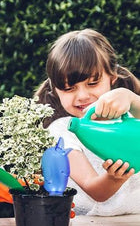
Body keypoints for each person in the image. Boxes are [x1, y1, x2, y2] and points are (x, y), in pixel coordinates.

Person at [35, 28, 140, 216]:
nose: (82, 96)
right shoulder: (63, 132)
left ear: (112, 78)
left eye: (92, 83)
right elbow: (95, 190)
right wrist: (113, 178)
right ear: (55, 90)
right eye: (69, 88)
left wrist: (131, 99)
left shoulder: (131, 117)